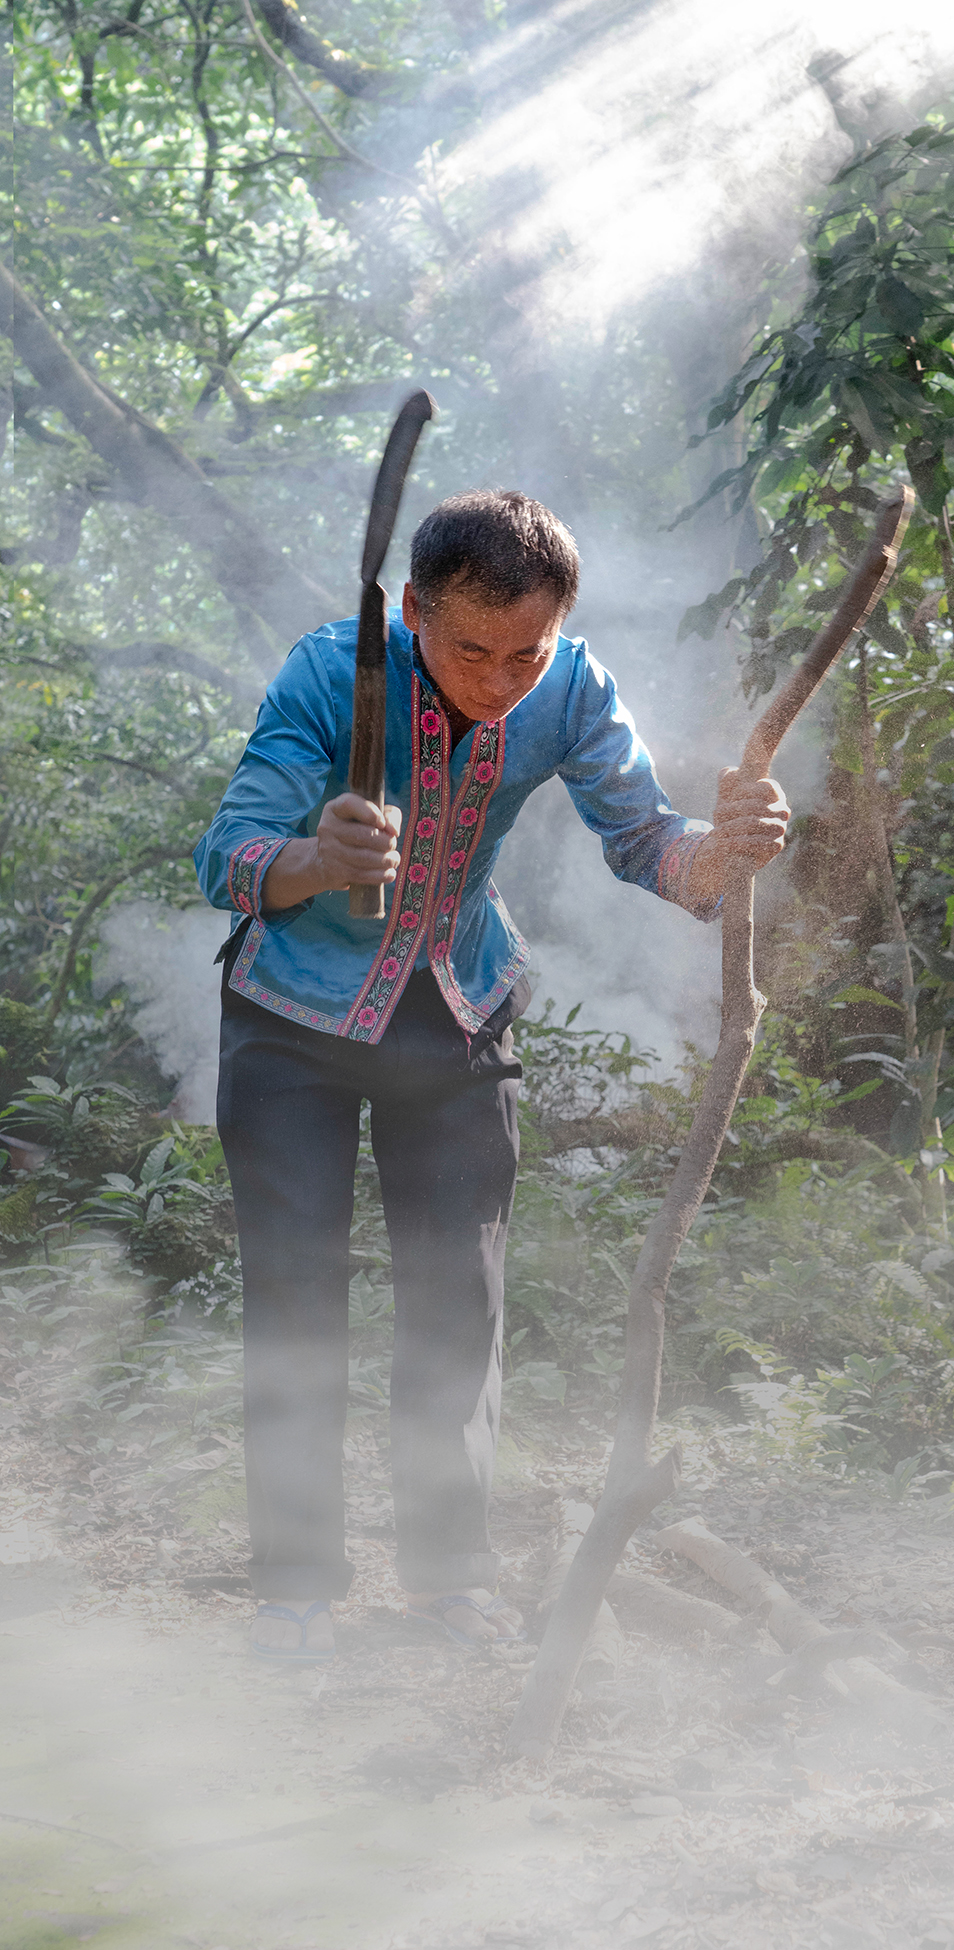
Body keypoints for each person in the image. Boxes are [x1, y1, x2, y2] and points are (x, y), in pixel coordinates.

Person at [194, 490, 789, 1661]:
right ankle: (295, 1589)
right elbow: (229, 854)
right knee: (297, 1296)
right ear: (411, 609)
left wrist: (725, 852)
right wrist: (317, 858)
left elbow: (645, 838)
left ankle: (448, 1577)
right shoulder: (330, 676)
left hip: (456, 1009)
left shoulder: (569, 686)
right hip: (291, 1022)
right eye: (470, 648)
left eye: (527, 651)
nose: (501, 678)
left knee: (458, 1300)